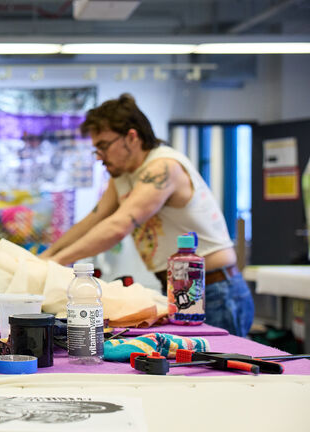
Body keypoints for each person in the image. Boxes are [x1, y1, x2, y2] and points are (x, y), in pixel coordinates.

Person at [39, 93, 254, 337]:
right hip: (178, 289)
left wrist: (56, 262)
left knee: (221, 371)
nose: (99, 156)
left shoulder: (163, 167)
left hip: (214, 290)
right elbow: (93, 221)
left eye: (103, 146)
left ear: (131, 137)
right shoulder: (124, 176)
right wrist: (45, 257)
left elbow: (119, 225)